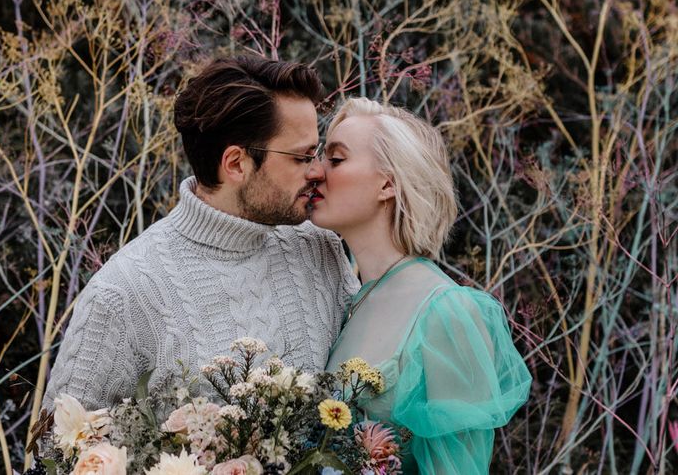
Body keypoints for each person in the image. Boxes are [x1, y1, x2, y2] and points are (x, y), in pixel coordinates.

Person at [41, 57, 359, 412]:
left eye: (316, 153)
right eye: (301, 157)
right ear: (237, 163)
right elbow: (57, 450)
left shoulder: (320, 248)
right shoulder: (122, 293)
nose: (317, 171)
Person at [311, 98, 531, 475]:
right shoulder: (348, 297)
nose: (315, 171)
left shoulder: (447, 313)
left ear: (388, 183)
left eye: (336, 159)